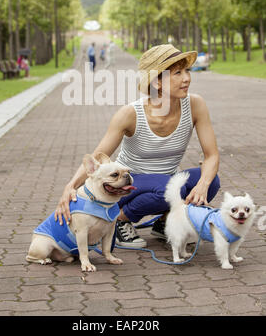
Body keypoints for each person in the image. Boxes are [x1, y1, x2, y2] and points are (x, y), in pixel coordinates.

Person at [55, 44, 220, 249]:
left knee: (210, 180)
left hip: (165, 182)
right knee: (168, 188)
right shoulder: (130, 114)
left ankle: (165, 221)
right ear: (157, 82)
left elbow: (211, 156)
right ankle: (120, 220)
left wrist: (203, 184)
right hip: (129, 184)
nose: (187, 78)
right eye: (177, 73)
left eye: (187, 71)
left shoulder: (195, 105)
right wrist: (70, 186)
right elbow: (99, 155)